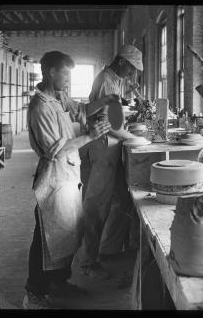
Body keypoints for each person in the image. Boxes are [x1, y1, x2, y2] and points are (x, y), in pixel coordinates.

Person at [23, 51, 118, 309]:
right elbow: (52, 150)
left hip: (68, 174)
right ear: (51, 72)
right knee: (46, 236)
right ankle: (34, 293)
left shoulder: (59, 97)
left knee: (68, 230)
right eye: (66, 75)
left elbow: (82, 110)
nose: (69, 81)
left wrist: (107, 99)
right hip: (53, 177)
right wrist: (90, 136)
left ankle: (58, 281)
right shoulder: (41, 106)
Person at [79, 45, 142, 279]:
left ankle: (108, 249)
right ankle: (88, 261)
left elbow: (114, 107)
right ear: (122, 63)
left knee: (121, 200)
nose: (132, 75)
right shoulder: (107, 79)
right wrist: (135, 138)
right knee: (97, 205)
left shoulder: (114, 79)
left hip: (113, 147)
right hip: (104, 146)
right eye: (132, 69)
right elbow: (110, 125)